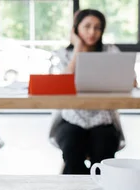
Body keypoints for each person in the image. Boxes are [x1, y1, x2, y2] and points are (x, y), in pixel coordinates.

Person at [49, 9, 129, 175]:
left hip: (103, 119)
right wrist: (78, 47)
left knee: (104, 148)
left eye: (97, 27)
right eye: (87, 26)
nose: (92, 32)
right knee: (72, 147)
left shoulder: (111, 52)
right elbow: (61, 83)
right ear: (76, 29)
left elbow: (129, 81)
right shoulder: (63, 55)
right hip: (71, 118)